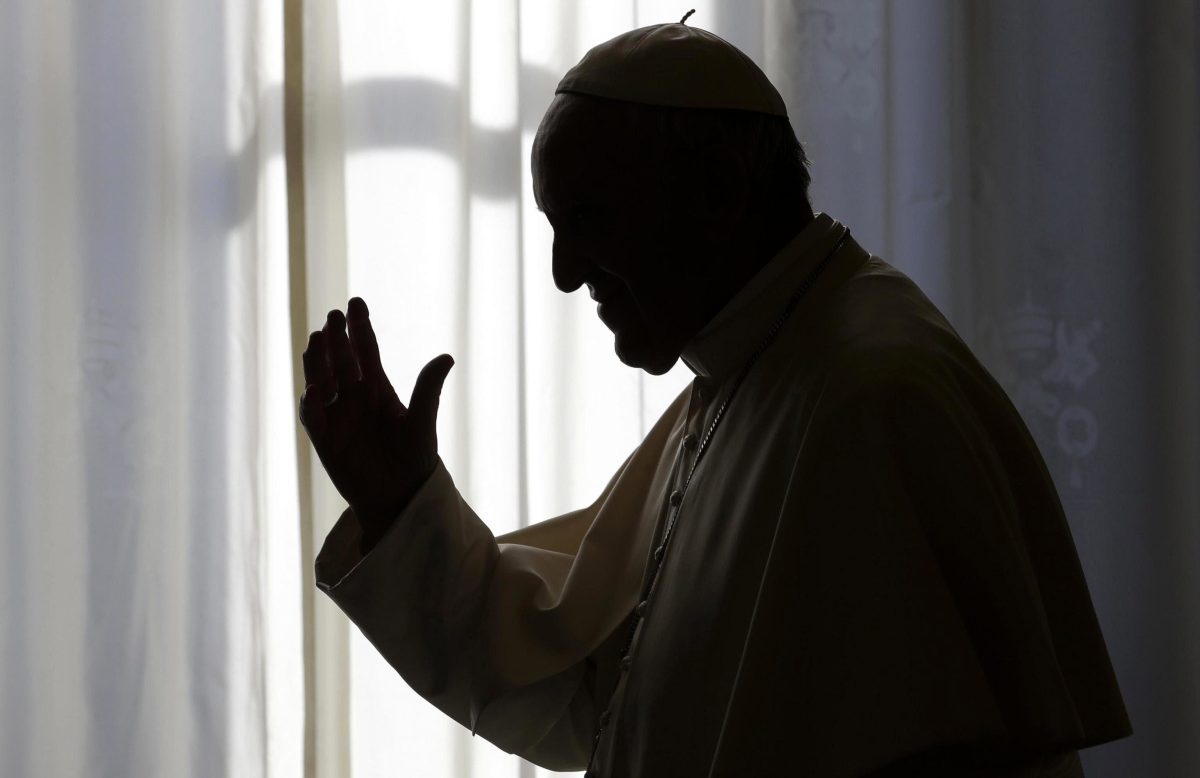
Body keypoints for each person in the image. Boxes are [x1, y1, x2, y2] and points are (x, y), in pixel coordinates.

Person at [299, 18, 1132, 778]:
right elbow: (595, 701)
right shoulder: (747, 375)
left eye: (588, 218)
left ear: (718, 193)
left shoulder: (872, 396)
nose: (564, 273)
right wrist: (400, 505)